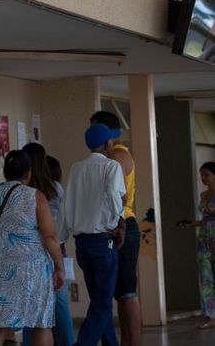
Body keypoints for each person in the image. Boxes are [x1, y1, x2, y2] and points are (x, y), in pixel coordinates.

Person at [0, 150, 65, 346]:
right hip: (34, 270)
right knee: (41, 324)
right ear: (28, 173)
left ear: (5, 172)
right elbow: (49, 236)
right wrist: (59, 266)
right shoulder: (35, 196)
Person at [63, 124, 127, 346]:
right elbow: (114, 194)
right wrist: (117, 217)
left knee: (100, 301)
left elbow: (67, 202)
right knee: (103, 304)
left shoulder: (76, 168)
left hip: (82, 243)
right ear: (108, 144)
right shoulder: (112, 166)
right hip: (103, 241)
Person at [91, 111, 141, 346]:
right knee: (120, 293)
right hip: (114, 224)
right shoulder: (109, 156)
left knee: (127, 291)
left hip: (123, 224)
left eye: (96, 130)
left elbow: (117, 197)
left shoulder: (119, 155)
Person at [20, 144, 74, 346]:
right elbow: (62, 225)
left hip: (28, 253)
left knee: (29, 306)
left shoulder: (22, 192)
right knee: (60, 306)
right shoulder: (56, 188)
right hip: (57, 249)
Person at [177, 162, 215, 329]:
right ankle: (212, 315)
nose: (203, 178)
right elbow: (205, 220)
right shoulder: (203, 195)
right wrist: (190, 224)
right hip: (204, 240)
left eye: (207, 174)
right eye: (201, 174)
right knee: (206, 277)